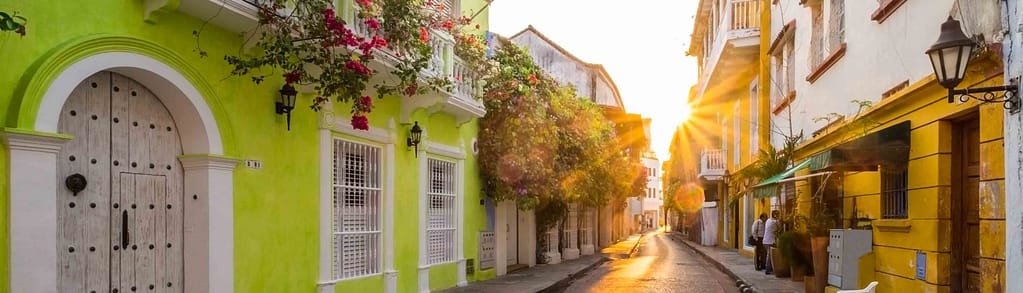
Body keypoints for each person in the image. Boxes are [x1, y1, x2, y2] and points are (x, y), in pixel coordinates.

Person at [763, 210, 780, 275]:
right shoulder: (776, 221)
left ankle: (769, 268)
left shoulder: (768, 220)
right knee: (769, 255)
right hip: (771, 241)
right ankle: (767, 269)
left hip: (765, 241)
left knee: (769, 255)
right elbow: (779, 228)